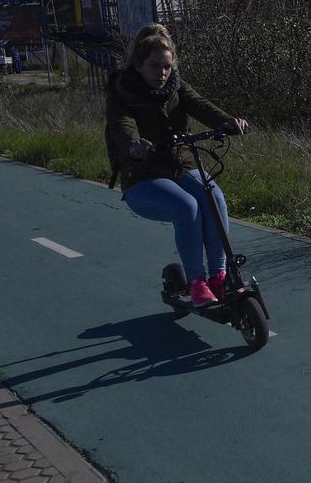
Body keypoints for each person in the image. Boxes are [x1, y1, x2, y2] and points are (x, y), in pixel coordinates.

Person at [105, 24, 249, 308]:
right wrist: (134, 144)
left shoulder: (175, 86)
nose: (162, 73)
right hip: (142, 174)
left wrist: (227, 121)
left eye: (167, 67)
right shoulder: (121, 91)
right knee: (187, 207)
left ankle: (219, 275)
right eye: (155, 66)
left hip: (179, 165)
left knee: (213, 195)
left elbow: (200, 105)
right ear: (138, 64)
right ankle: (197, 283)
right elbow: (122, 124)